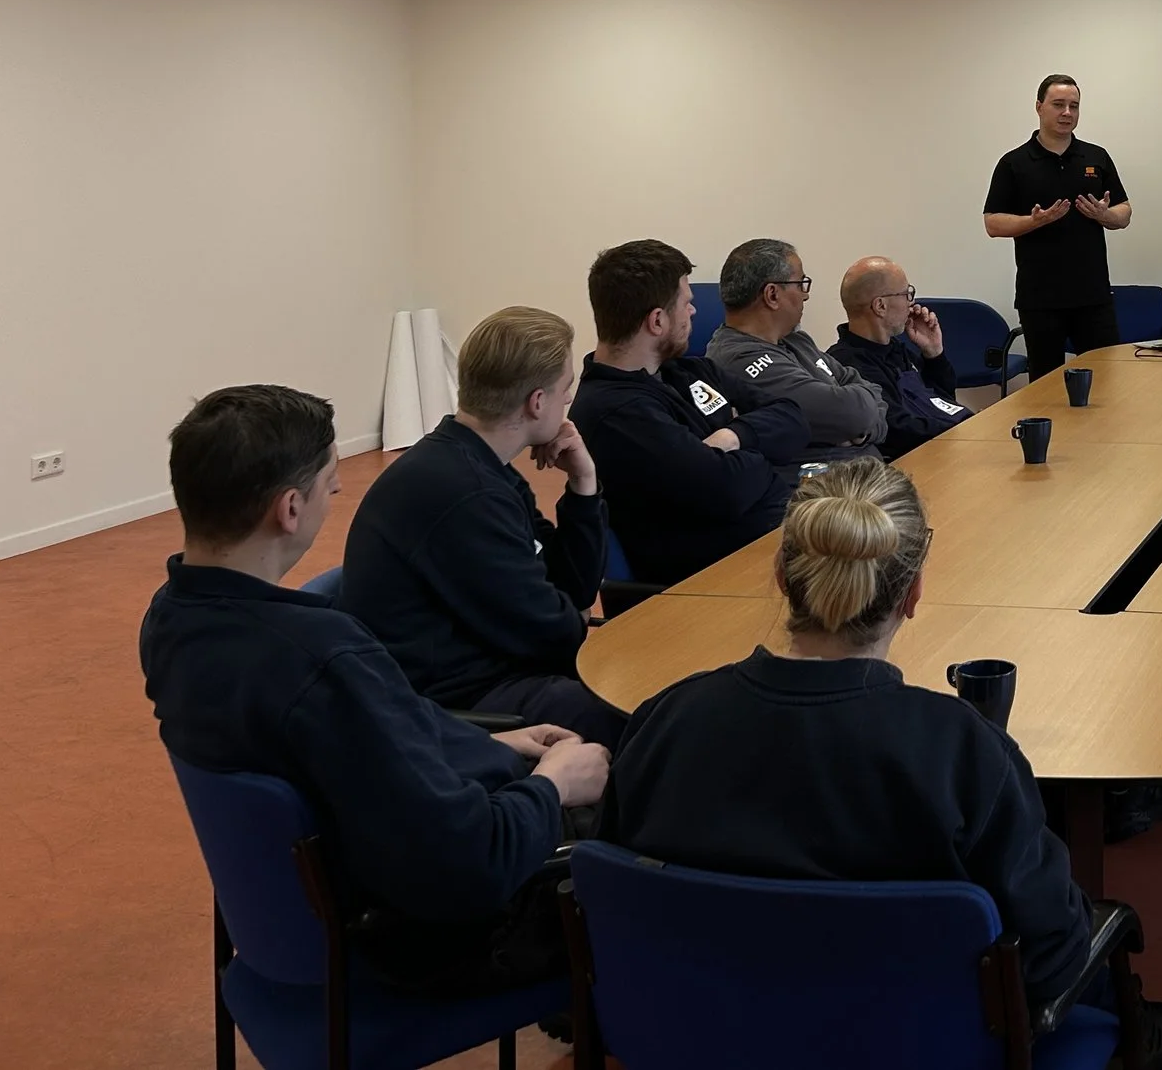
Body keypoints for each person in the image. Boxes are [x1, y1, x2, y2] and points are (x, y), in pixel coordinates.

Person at [601, 459, 1162, 1066]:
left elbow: (617, 901)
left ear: (782, 576)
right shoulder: (963, 752)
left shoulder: (662, 722)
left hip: (701, 1037)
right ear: (913, 593)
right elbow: (1054, 960)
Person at [140, 384, 608, 996]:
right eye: (330, 484)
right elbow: (472, 861)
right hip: (413, 937)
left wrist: (488, 735)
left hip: (306, 915)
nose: (336, 495)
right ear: (288, 509)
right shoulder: (326, 660)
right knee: (640, 814)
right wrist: (555, 786)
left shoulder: (169, 621)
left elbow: (370, 738)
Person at [343, 306, 627, 745]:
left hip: (493, 667)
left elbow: (571, 586)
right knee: (641, 717)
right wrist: (574, 613)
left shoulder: (477, 464)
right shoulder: (463, 492)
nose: (567, 407)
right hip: (457, 704)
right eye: (564, 394)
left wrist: (583, 483)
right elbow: (556, 633)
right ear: (537, 402)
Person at [571, 239, 814, 586]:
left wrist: (733, 436)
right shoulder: (615, 412)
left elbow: (793, 419)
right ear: (657, 320)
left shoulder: (689, 371)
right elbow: (727, 490)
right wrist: (761, 454)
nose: (694, 312)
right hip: (719, 584)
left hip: (775, 546)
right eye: (686, 304)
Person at [984, 73, 1131, 379]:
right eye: (1058, 104)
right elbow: (993, 222)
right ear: (1039, 107)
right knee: (1045, 387)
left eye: (1074, 106)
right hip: (1040, 299)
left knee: (1108, 380)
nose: (1067, 113)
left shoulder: (1096, 157)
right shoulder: (1014, 163)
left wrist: (1105, 216)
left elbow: (1124, 212)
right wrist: (1034, 221)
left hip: (1093, 296)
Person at [703, 237, 890, 451]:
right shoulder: (738, 359)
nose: (806, 295)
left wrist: (860, 434)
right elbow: (851, 415)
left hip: (863, 473)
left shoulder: (796, 340)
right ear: (772, 295)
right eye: (801, 284)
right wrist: (857, 422)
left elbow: (872, 391)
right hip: (820, 481)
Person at [828, 256, 970, 459]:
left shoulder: (894, 349)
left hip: (944, 446)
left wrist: (933, 353)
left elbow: (941, 400)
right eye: (906, 295)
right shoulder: (849, 364)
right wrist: (963, 428)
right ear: (880, 306)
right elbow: (897, 428)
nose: (911, 304)